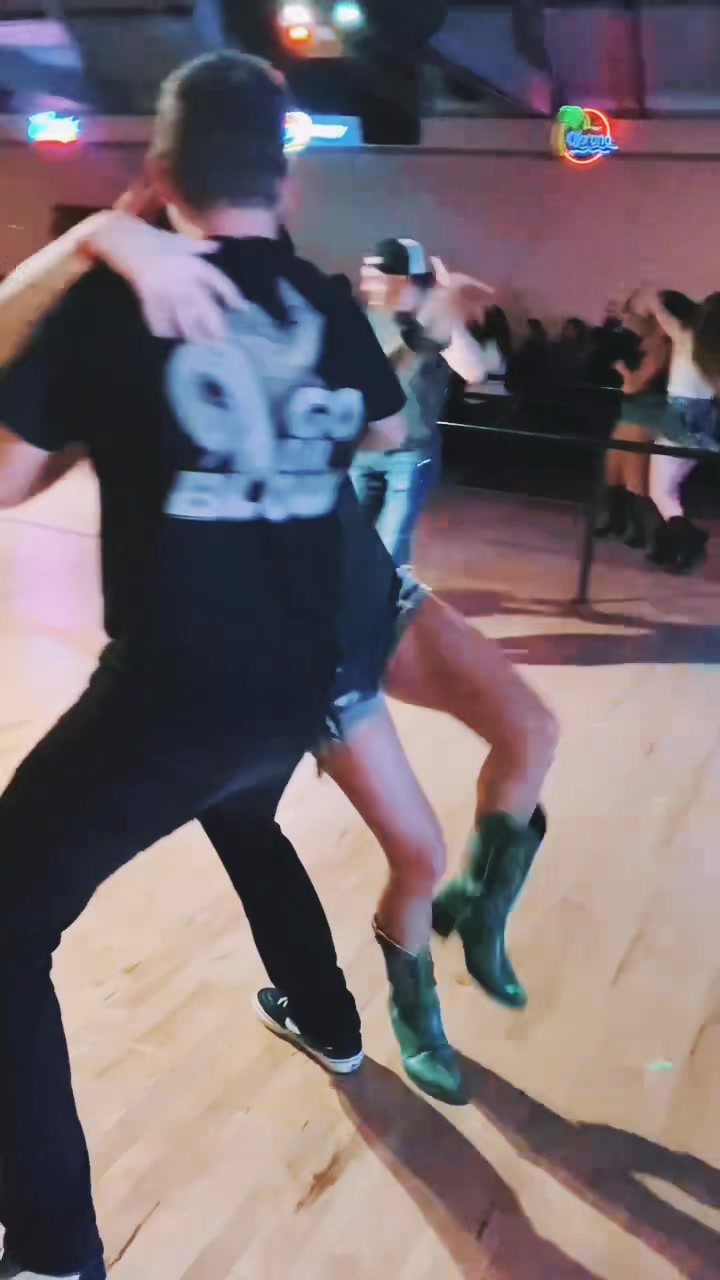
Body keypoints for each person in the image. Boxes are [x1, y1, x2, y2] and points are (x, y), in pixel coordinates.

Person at [0, 50, 410, 1280]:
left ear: (158, 174)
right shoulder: (325, 302)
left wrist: (93, 246)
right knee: (241, 812)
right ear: (286, 178)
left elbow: (3, 477)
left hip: (174, 699)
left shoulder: (114, 299)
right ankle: (326, 1013)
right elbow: (386, 426)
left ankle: (53, 1250)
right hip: (302, 696)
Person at [350, 238, 489, 567]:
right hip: (362, 450)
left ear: (405, 279)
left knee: (390, 547)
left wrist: (446, 310)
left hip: (410, 453)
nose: (366, 285)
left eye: (376, 277)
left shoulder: (434, 317)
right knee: (350, 543)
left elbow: (475, 371)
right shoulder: (366, 316)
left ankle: (386, 597)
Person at [633, 289, 718, 574]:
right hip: (704, 421)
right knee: (670, 490)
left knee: (660, 491)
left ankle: (691, 541)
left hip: (680, 419)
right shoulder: (711, 348)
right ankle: (666, 549)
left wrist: (649, 292)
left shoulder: (684, 336)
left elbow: (660, 312)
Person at [594, 292, 671, 548]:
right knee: (613, 469)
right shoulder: (645, 339)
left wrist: (622, 370)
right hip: (630, 412)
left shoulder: (662, 347)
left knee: (634, 476)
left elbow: (634, 385)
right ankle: (617, 522)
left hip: (645, 413)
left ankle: (639, 530)